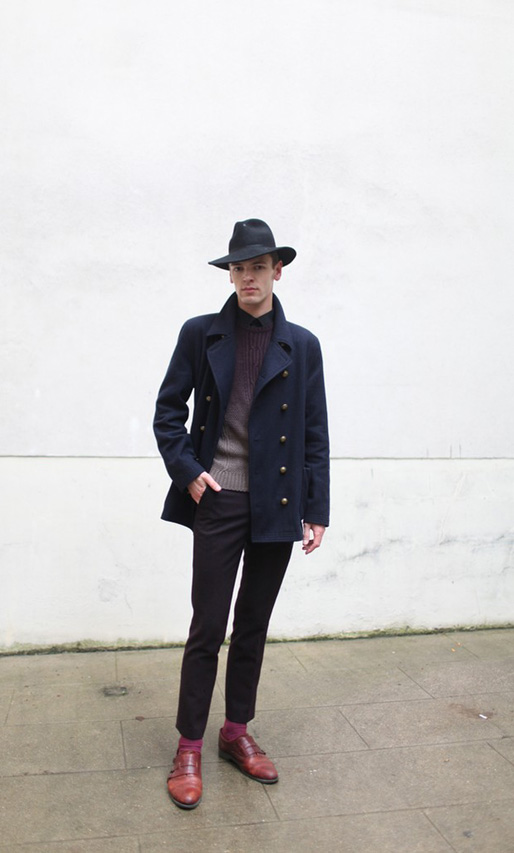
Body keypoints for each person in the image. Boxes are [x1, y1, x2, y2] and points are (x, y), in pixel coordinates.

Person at [153, 218, 330, 809]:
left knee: (252, 623)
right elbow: (168, 413)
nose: (248, 277)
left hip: (277, 503)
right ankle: (188, 747)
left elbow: (314, 433)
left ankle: (234, 733)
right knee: (207, 625)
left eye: (258, 266)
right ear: (229, 275)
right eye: (238, 267)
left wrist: (316, 508)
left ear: (278, 271)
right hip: (219, 498)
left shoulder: (302, 345)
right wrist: (189, 472)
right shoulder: (200, 334)